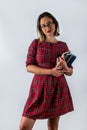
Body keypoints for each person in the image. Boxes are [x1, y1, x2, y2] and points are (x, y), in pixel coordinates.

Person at [19, 11, 74, 130]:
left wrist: (65, 67)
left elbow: (70, 72)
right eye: (43, 25)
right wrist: (51, 71)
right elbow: (29, 67)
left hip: (58, 88)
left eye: (50, 23)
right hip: (38, 88)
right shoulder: (36, 44)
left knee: (53, 127)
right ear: (40, 28)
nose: (47, 27)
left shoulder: (63, 46)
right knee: (24, 127)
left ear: (55, 24)